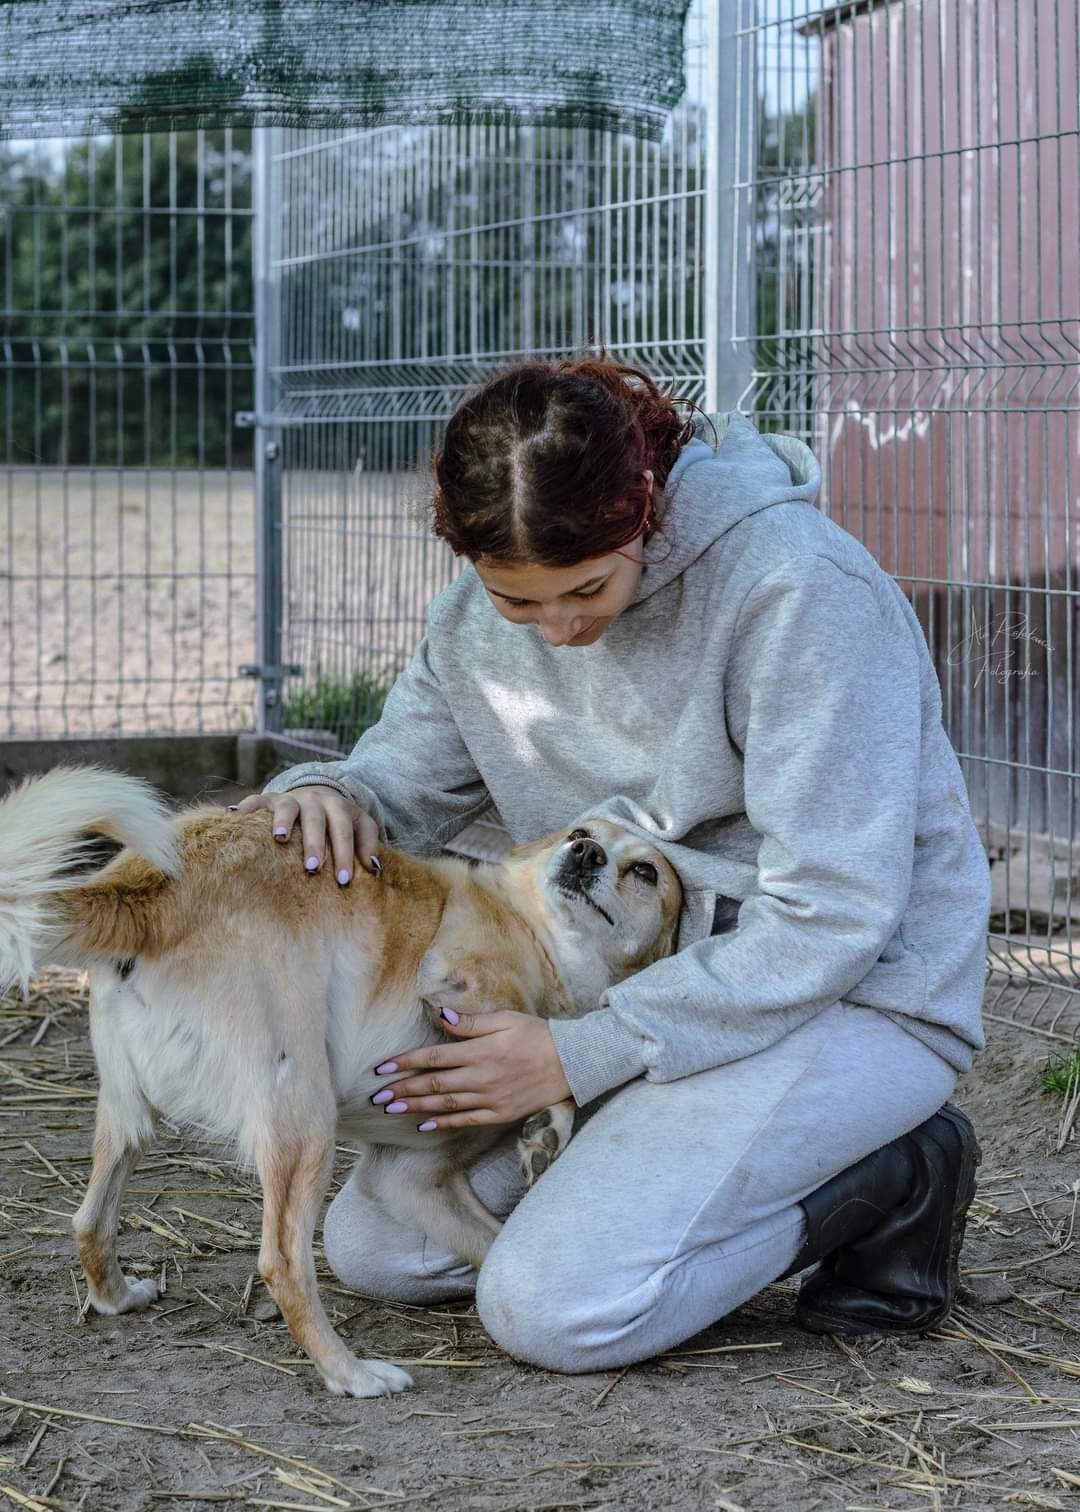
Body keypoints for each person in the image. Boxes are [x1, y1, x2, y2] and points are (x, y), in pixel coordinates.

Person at [233, 351, 991, 1372]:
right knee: (386, 1248)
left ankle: (894, 1176)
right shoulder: (470, 626)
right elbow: (394, 785)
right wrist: (326, 797)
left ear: (647, 509)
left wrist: (578, 1056)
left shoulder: (797, 590)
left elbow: (835, 916)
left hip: (846, 1000)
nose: (563, 629)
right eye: (519, 605)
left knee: (556, 1311)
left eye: (588, 587)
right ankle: (648, 1175)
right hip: (634, 1005)